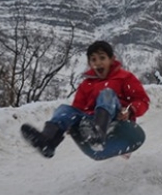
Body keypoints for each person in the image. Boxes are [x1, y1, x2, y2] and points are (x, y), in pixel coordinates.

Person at [20, 40, 150, 158]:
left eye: (102, 58)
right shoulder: (86, 84)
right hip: (89, 123)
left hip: (116, 118)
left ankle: (98, 132)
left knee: (107, 93)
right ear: (89, 63)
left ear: (112, 59)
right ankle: (48, 141)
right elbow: (78, 109)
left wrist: (130, 110)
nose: (98, 62)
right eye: (93, 60)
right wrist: (71, 124)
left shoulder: (124, 77)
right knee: (64, 110)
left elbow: (142, 100)